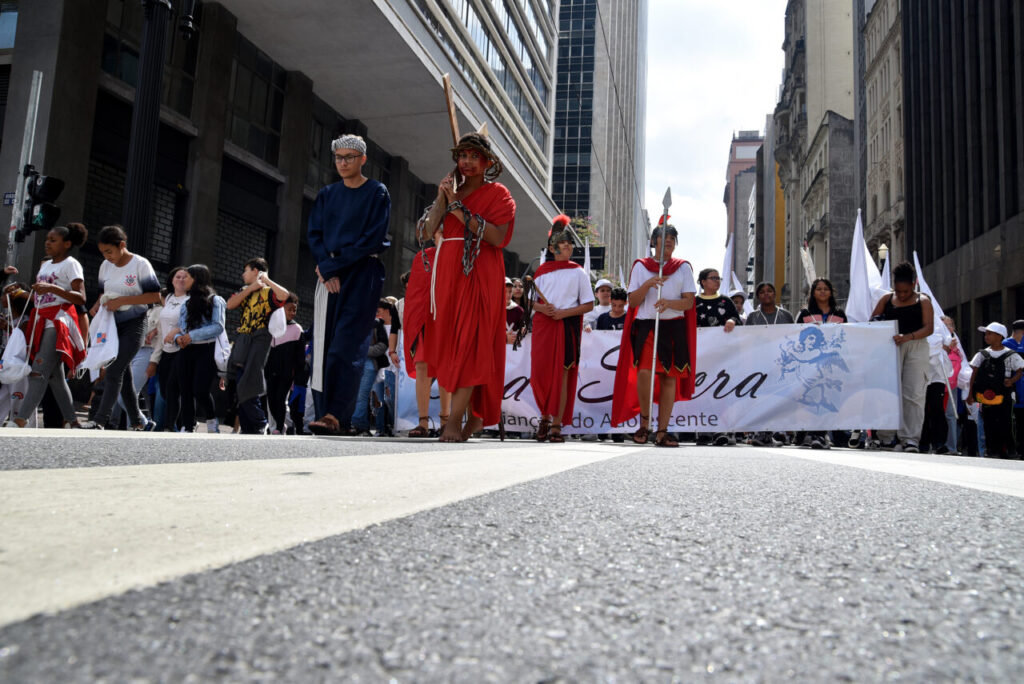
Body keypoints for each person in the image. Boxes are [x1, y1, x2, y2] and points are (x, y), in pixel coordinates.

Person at [420, 131, 516, 442]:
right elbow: (427, 232)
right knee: (452, 345)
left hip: (480, 270)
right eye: (463, 155)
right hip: (448, 273)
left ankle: (453, 421)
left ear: (488, 162)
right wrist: (443, 198)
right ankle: (473, 417)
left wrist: (458, 208)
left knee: (471, 344)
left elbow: (497, 237)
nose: (468, 161)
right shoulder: (450, 193)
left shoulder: (498, 193)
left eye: (475, 156)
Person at [307, 134, 391, 435]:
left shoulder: (377, 192)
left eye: (349, 157)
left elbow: (373, 238)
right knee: (322, 346)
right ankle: (323, 413)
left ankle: (336, 414)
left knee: (346, 346)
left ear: (362, 159)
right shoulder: (327, 194)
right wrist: (326, 269)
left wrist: (332, 266)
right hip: (328, 275)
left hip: (361, 272)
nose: (343, 163)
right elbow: (314, 234)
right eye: (338, 157)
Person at [611, 224, 697, 447]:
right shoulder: (641, 266)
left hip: (673, 327)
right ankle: (644, 423)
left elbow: (689, 302)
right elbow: (633, 302)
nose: (668, 240)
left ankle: (662, 431)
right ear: (653, 241)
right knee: (644, 372)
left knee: (669, 378)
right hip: (647, 325)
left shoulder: (683, 267)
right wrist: (648, 284)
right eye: (664, 236)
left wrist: (670, 303)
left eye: (672, 238)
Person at [79, 225, 161, 430]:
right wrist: (96, 307)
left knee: (114, 371)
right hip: (111, 326)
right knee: (123, 373)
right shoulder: (105, 266)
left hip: (135, 324)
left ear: (122, 245)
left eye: (109, 251)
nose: (107, 257)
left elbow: (154, 296)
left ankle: (100, 420)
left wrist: (123, 300)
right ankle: (139, 422)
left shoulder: (140, 264)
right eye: (103, 252)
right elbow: (103, 293)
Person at [14, 223, 88, 428]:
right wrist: (22, 293)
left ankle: (20, 419)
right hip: (41, 319)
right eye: (47, 239)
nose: (47, 243)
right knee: (55, 376)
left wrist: (52, 288)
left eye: (53, 240)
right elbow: (43, 297)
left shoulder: (71, 264)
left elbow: (81, 298)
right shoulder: (46, 265)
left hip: (58, 321)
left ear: (67, 244)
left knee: (38, 371)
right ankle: (73, 421)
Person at [530, 216, 594, 442]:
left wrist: (563, 313)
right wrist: (543, 308)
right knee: (542, 373)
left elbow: (589, 304)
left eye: (569, 243)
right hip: (544, 326)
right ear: (552, 248)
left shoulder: (579, 272)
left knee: (563, 374)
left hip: (567, 326)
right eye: (562, 243)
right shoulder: (541, 271)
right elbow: (530, 301)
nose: (567, 246)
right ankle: (544, 418)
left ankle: (556, 424)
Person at [869, 261, 934, 453]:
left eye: (905, 291)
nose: (902, 295)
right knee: (887, 391)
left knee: (914, 393)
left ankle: (910, 439)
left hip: (916, 346)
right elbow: (872, 322)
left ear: (913, 285)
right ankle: (886, 437)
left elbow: (929, 328)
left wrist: (908, 336)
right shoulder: (886, 299)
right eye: (898, 291)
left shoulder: (923, 301)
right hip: (890, 347)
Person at [225, 257, 289, 434]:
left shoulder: (268, 292)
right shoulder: (244, 290)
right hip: (243, 339)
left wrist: (266, 280)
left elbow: (284, 295)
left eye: (246, 270)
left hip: (260, 339)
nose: (242, 274)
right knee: (240, 381)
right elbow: (230, 305)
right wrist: (251, 288)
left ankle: (259, 421)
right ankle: (250, 428)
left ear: (255, 271)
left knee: (249, 379)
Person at [402, 247, 452, 437]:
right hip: (423, 317)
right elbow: (414, 293)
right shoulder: (422, 256)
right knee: (422, 366)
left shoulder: (455, 252)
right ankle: (422, 422)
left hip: (446, 317)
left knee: (445, 367)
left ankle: (445, 420)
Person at [171, 264, 226, 433]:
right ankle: (187, 426)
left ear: (196, 279)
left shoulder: (215, 300)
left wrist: (192, 335)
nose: (184, 280)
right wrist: (178, 338)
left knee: (200, 390)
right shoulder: (186, 303)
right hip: (186, 350)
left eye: (187, 277)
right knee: (185, 390)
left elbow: (218, 326)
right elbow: (181, 327)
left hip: (206, 349)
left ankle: (211, 419)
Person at [794, 278, 848, 449]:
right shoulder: (804, 314)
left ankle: (822, 434)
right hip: (810, 366)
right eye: (819, 289)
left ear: (831, 292)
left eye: (826, 289)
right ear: (813, 293)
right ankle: (808, 433)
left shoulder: (840, 314)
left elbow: (847, 336)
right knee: (811, 397)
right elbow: (796, 336)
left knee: (828, 397)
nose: (822, 292)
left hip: (831, 366)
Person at [694, 267, 740, 445]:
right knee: (702, 392)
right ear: (703, 282)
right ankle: (703, 431)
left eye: (718, 278)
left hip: (722, 356)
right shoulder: (694, 302)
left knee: (720, 391)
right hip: (700, 356)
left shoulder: (726, 301)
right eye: (713, 278)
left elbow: (736, 318)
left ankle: (720, 429)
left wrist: (731, 320)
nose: (717, 281)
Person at [745, 281, 793, 447]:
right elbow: (747, 340)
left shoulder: (786, 315)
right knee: (761, 397)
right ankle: (760, 431)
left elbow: (792, 337)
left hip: (781, 364)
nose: (766, 294)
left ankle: (775, 431)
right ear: (758, 296)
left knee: (778, 398)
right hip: (760, 363)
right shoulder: (753, 317)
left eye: (769, 291)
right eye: (762, 292)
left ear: (775, 294)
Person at [968, 322, 1024, 459]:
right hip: (986, 395)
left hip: (1005, 394)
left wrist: (1011, 381)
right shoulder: (982, 354)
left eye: (989, 334)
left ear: (1000, 336)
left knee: (1006, 422)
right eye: (985, 334)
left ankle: (1009, 450)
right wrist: (970, 394)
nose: (986, 336)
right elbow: (973, 373)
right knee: (988, 422)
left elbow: (1020, 370)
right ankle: (991, 450)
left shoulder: (1010, 354)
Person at [147, 267, 189, 431]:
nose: (181, 279)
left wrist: (176, 331)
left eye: (185, 277)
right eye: (178, 277)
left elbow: (192, 323)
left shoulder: (190, 299)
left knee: (173, 389)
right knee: (164, 389)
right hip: (165, 350)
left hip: (181, 350)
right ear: (172, 280)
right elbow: (162, 327)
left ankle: (171, 426)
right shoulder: (169, 298)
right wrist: (154, 359)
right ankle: (173, 426)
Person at [265, 293, 306, 434]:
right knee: (271, 400)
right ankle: (282, 425)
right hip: (272, 370)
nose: (292, 312)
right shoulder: (274, 327)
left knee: (280, 398)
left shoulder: (297, 329)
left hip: (287, 373)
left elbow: (300, 356)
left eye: (295, 310)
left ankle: (278, 427)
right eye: (289, 309)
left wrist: (296, 374)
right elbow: (270, 352)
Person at [1004, 320, 1024, 456]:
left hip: (1022, 392)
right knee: (1010, 422)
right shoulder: (1005, 345)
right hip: (1011, 390)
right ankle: (1010, 449)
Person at [505, 277, 526, 344]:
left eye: (510, 291)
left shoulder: (519, 310)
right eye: (504, 291)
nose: (508, 295)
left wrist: (522, 331)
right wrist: (504, 338)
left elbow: (523, 327)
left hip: (513, 347)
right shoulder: (492, 310)